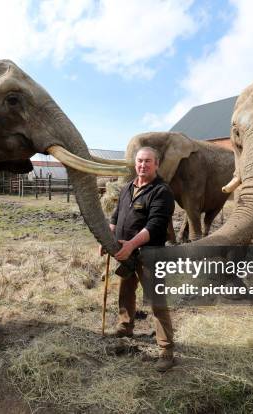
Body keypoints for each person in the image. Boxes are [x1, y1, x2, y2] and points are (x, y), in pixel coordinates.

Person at [100, 146, 176, 372]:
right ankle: (125, 327)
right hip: (125, 253)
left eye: (148, 161)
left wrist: (132, 243)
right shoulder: (127, 188)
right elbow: (115, 217)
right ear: (135, 163)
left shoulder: (161, 191)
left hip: (150, 255)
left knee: (156, 302)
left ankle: (166, 350)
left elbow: (155, 225)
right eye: (140, 161)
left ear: (157, 164)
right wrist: (107, 238)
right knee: (125, 292)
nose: (143, 165)